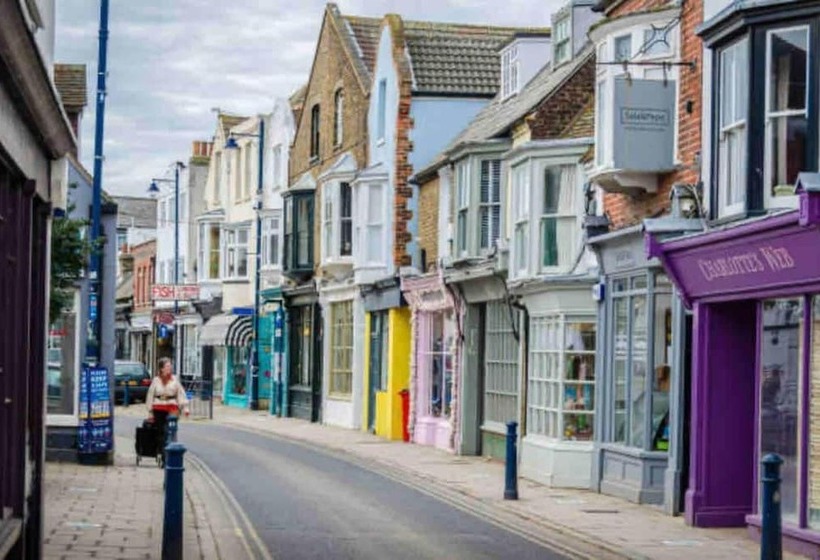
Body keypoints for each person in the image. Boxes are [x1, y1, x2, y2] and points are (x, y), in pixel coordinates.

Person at [146, 357, 189, 453]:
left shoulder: (175, 380)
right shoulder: (156, 380)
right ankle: (163, 453)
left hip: (172, 407)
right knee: (161, 431)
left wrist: (185, 407)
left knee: (170, 429)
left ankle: (172, 451)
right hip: (158, 407)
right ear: (162, 368)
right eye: (167, 366)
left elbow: (181, 394)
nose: (170, 368)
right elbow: (150, 396)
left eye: (170, 366)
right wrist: (150, 412)